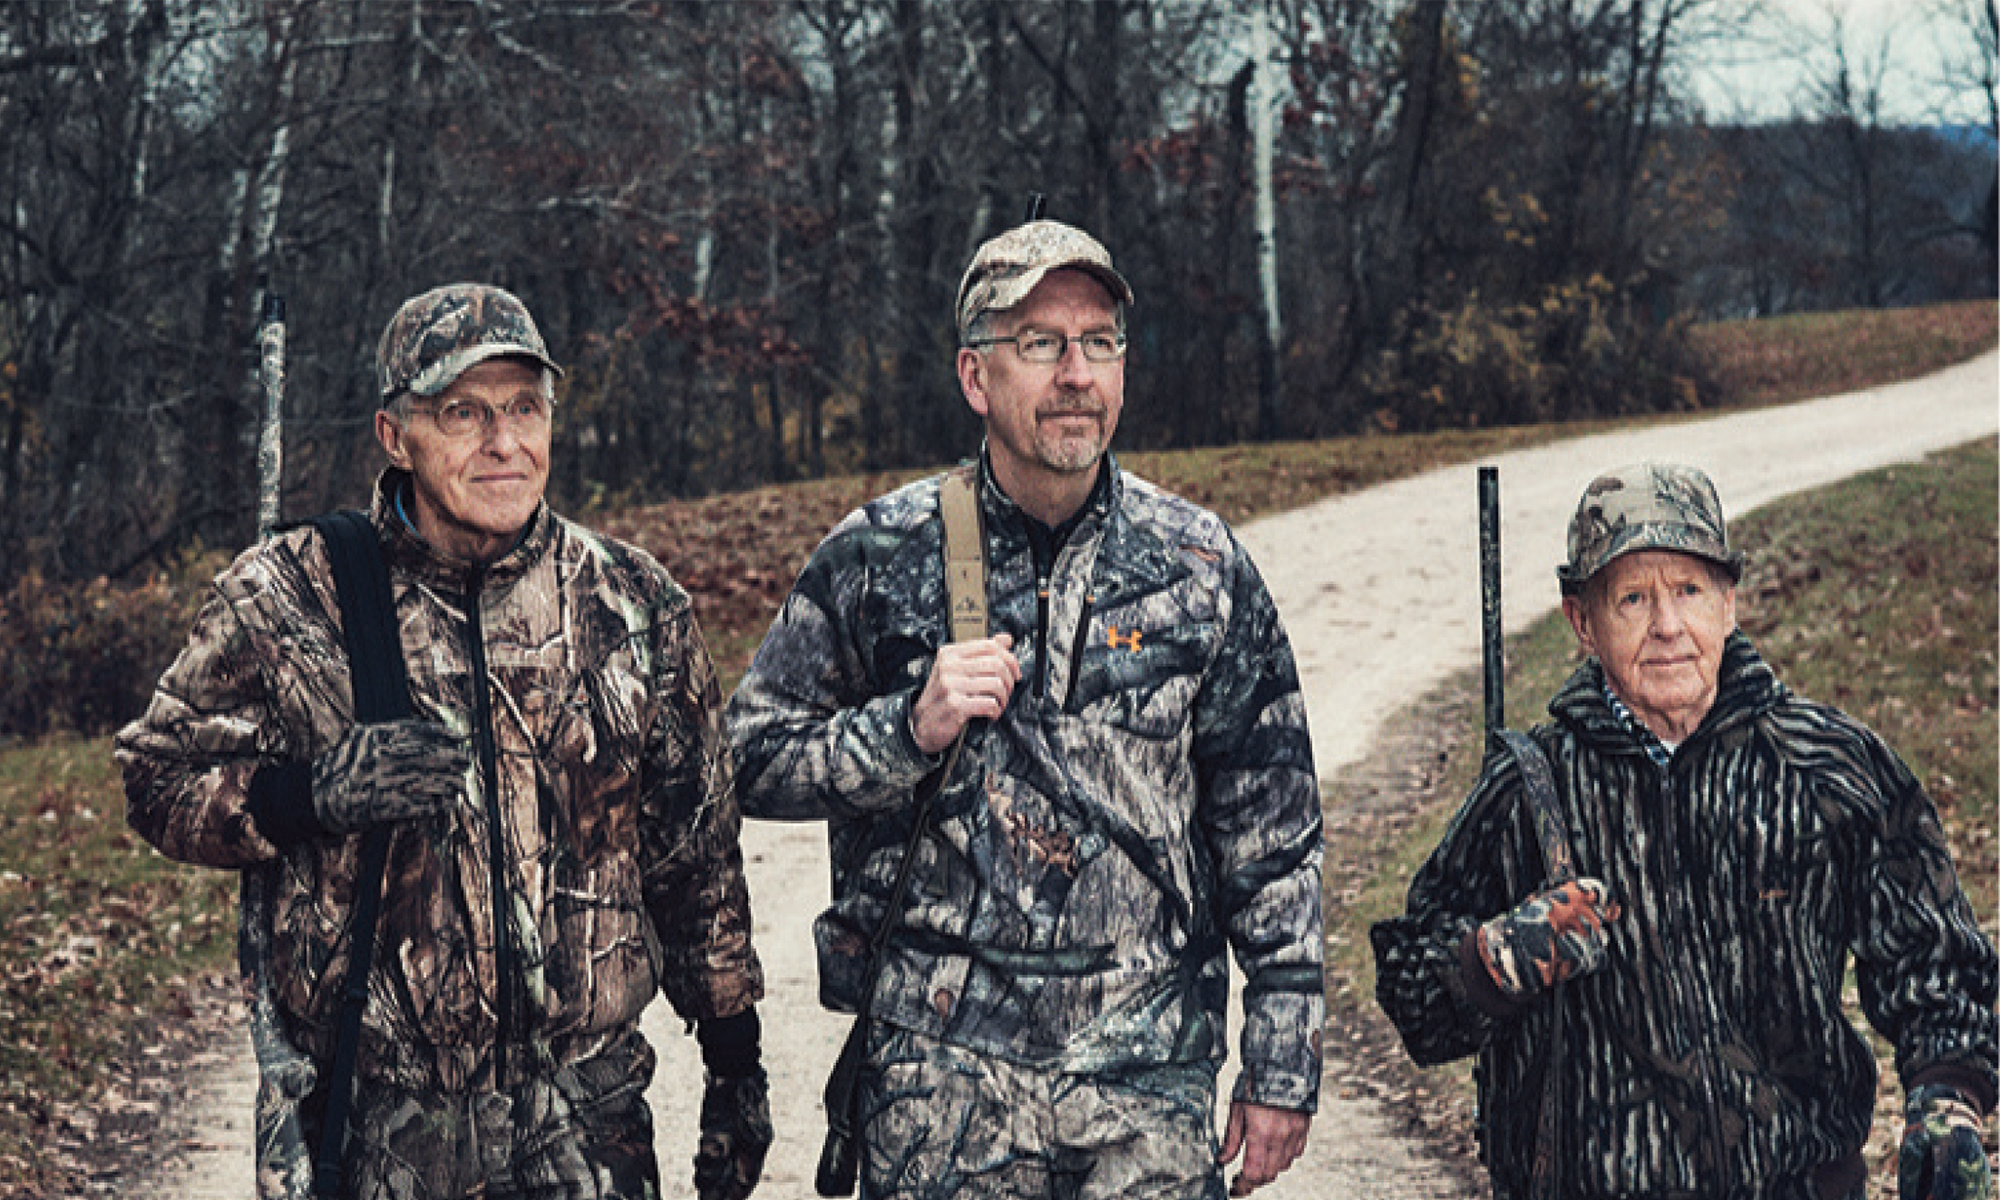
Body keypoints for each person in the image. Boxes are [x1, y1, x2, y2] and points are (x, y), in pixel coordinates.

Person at [117, 283, 772, 1200]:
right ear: (396, 435)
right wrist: (304, 797)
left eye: (524, 408)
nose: (504, 443)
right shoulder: (293, 599)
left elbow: (693, 847)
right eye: (463, 412)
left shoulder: (628, 602)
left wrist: (734, 1060)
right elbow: (155, 775)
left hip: (587, 1117)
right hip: (375, 1120)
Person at [726, 219, 1324, 1199]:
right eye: (1040, 345)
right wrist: (902, 731)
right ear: (975, 376)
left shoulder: (1201, 568)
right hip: (939, 1085)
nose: (1075, 373)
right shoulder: (882, 554)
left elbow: (1272, 837)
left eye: (1098, 343)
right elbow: (749, 756)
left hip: (1146, 1079)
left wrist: (1281, 1061)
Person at [1370, 462, 1998, 1200]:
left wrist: (1945, 1100)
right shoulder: (1528, 793)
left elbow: (1937, 962)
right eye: (1632, 598)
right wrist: (1494, 961)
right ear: (1582, 622)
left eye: (1690, 591)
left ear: (1729, 603)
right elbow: (1415, 1002)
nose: (1667, 626)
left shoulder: (1828, 768)